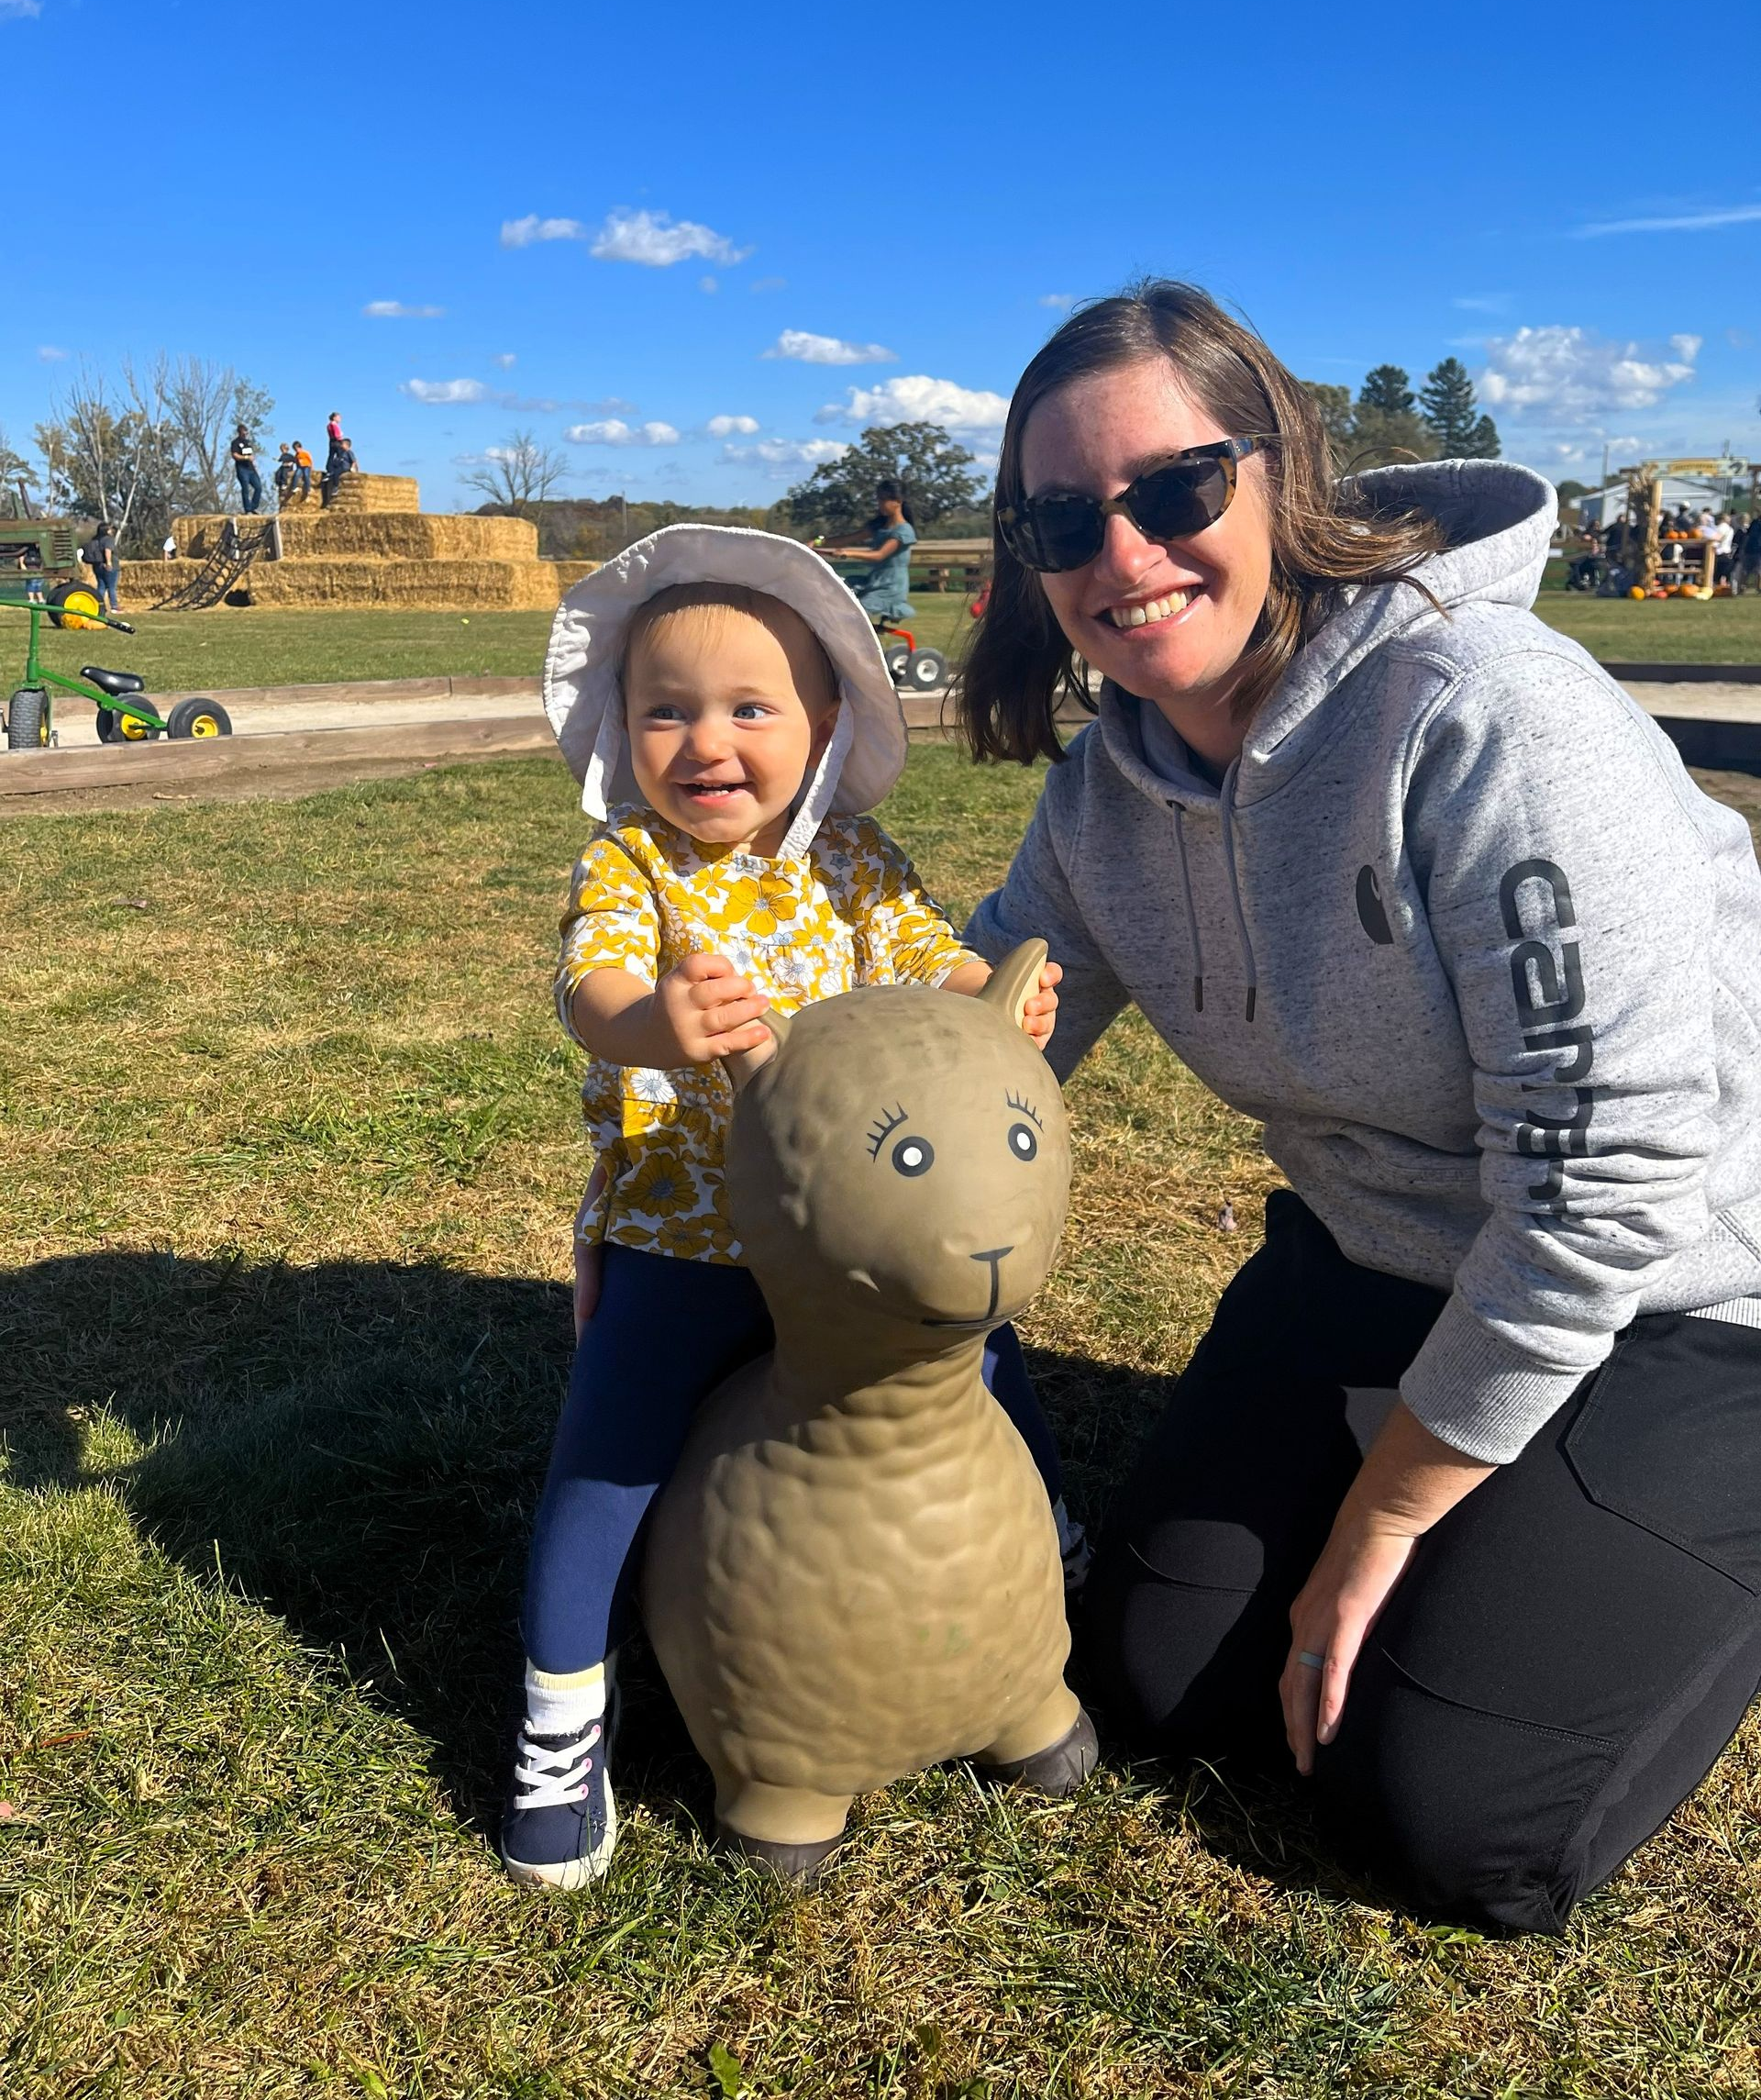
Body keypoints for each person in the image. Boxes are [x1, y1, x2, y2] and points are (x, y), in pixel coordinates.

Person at [958, 280, 1761, 1937]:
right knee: (1156, 1677)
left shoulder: (1486, 711)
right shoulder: (1104, 793)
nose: (1124, 552)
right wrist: (716, 1115)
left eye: (1176, 488)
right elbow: (966, 1038)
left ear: (1281, 474)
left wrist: (1388, 1508)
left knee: (1460, 1815)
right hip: (1379, 1255)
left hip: (1686, 1286)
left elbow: (1608, 1183)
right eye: (1063, 518)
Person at [504, 526, 1075, 1890]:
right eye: (668, 711)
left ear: (824, 725)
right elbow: (589, 992)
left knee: (986, 1368)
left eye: (751, 709)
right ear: (622, 730)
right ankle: (560, 1708)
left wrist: (989, 998)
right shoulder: (629, 867)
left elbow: (935, 961)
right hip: (691, 1236)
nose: (707, 742)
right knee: (611, 1462)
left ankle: (1050, 1560)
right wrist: (655, 1020)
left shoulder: (854, 862)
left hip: (857, 1243)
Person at [819, 479, 919, 629]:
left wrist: (847, 552)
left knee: (856, 613)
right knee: (838, 586)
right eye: (878, 499)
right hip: (873, 581)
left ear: (898, 501)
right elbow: (848, 538)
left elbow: (879, 555)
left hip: (890, 588)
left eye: (883, 499)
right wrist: (818, 542)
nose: (879, 504)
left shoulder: (904, 530)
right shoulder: (879, 526)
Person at [85, 521, 119, 612]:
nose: (112, 530)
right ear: (106, 530)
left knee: (101, 586)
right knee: (112, 587)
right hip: (108, 566)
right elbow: (107, 550)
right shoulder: (108, 539)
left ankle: (99, 605)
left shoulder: (95, 539)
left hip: (97, 565)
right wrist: (109, 563)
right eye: (110, 529)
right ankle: (114, 606)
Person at [230, 426, 262, 516]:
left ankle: (253, 507)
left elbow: (251, 456)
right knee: (245, 488)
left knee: (258, 487)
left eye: (246, 431)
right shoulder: (235, 442)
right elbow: (235, 455)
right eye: (244, 431)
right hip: (242, 469)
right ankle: (248, 509)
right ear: (240, 432)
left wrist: (255, 466)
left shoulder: (248, 443)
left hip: (251, 469)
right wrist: (246, 457)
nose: (246, 433)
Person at [320, 433, 358, 507]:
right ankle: (329, 476)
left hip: (345, 467)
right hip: (340, 466)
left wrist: (353, 468)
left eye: (342, 444)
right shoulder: (341, 453)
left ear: (347, 445)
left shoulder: (349, 452)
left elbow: (354, 461)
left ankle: (336, 487)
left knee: (336, 473)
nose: (341, 445)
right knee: (333, 471)